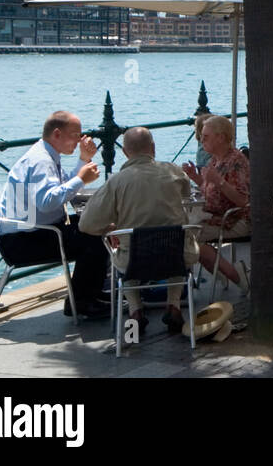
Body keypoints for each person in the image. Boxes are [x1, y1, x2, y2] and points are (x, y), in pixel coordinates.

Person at [78, 127, 198, 334]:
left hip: (135, 260)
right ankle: (174, 305)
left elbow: (86, 224)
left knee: (126, 245)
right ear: (153, 148)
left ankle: (135, 311)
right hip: (177, 256)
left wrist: (111, 228)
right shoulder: (174, 171)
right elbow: (187, 196)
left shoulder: (116, 181)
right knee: (178, 243)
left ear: (125, 152)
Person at [0, 111, 108, 320]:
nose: (79, 140)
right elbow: (47, 202)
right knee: (94, 237)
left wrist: (83, 160)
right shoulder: (41, 161)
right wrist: (81, 180)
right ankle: (82, 301)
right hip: (25, 241)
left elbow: (63, 186)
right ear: (57, 134)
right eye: (76, 135)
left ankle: (89, 294)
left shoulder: (46, 155)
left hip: (33, 232)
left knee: (98, 224)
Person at [181, 115, 250, 290]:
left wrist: (218, 181)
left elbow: (243, 200)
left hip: (235, 219)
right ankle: (224, 274)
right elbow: (211, 190)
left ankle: (235, 276)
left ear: (220, 138)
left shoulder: (236, 161)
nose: (201, 140)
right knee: (184, 233)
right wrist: (196, 178)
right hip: (215, 216)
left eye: (205, 137)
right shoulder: (216, 159)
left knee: (189, 239)